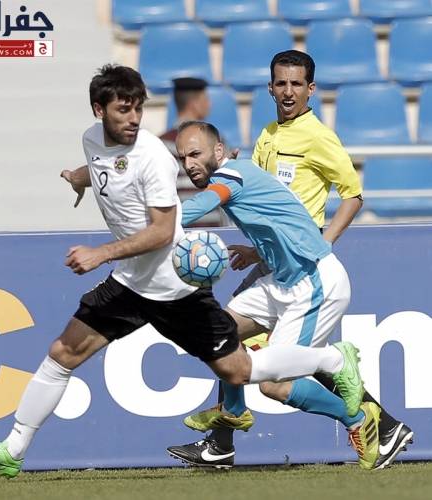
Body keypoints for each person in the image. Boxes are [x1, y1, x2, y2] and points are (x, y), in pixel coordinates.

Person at [0, 65, 363, 478]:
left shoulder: (153, 156)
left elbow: (163, 231)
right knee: (63, 353)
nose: (134, 118)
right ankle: (12, 449)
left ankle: (332, 360)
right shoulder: (91, 140)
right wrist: (80, 177)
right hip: (131, 282)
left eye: (138, 109)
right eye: (124, 110)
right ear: (99, 110)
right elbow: (105, 165)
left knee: (239, 370)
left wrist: (101, 254)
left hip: (175, 287)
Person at [167, 50, 413, 471]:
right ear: (270, 88)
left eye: (296, 84)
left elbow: (353, 196)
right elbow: (261, 201)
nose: (288, 91)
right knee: (223, 334)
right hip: (277, 262)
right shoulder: (266, 136)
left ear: (310, 89)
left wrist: (324, 243)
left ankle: (375, 423)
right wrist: (257, 249)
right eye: (281, 83)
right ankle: (227, 433)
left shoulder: (318, 136)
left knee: (281, 374)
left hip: (308, 265)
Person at [159, 77, 210, 156]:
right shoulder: (210, 141)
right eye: (206, 99)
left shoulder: (161, 143)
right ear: (195, 104)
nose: (209, 104)